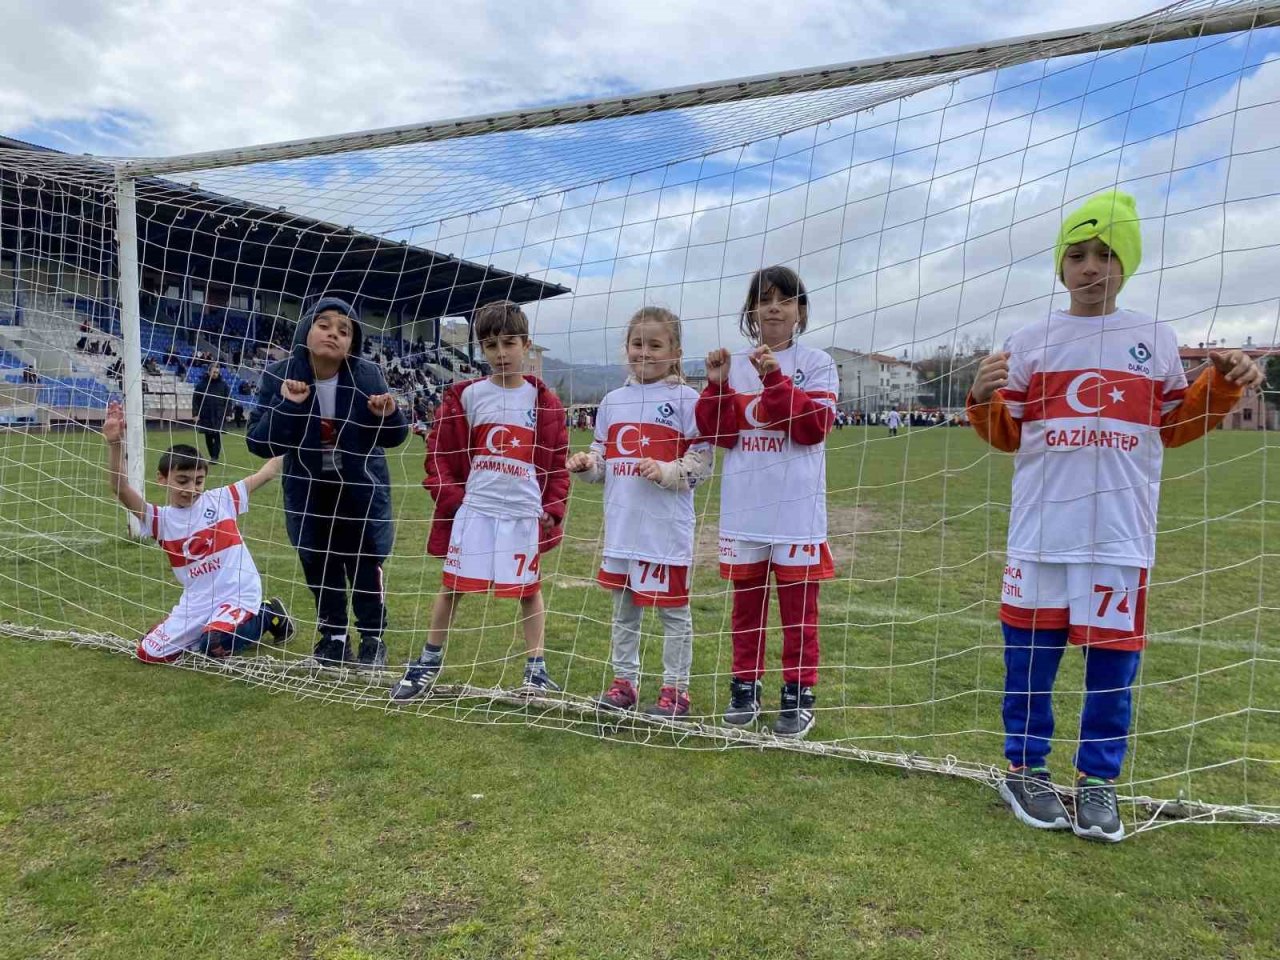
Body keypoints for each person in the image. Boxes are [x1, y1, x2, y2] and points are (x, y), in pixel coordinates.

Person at [967, 190, 1264, 842]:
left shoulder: (1152, 339)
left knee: (1111, 674)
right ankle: (1024, 769)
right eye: (1077, 255)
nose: (1090, 267)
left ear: (1125, 264)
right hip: (1041, 536)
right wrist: (981, 397)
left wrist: (1226, 383)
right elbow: (1007, 435)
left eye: (1105, 255)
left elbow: (1178, 425)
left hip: (1120, 539)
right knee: (1030, 666)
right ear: (1060, 264)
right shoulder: (1030, 341)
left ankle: (1098, 783)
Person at [390, 301, 568, 700]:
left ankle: (536, 670)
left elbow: (557, 465)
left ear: (526, 345)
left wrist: (553, 509)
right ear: (481, 351)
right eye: (490, 345)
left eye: (509, 343)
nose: (501, 353)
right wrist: (454, 500)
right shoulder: (467, 396)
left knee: (528, 591)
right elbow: (439, 454)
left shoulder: (545, 404)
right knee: (452, 588)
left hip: (523, 515)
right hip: (476, 513)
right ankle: (427, 663)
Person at [696, 265, 838, 738]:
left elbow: (811, 429)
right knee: (745, 610)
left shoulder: (817, 363)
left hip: (797, 513)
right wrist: (716, 385)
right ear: (752, 311)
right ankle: (744, 687)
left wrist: (776, 381)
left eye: (785, 299)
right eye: (764, 298)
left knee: (800, 614)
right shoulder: (733, 363)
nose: (774, 306)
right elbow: (720, 433)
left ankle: (798, 695)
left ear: (800, 311)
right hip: (744, 511)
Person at [246, 296, 409, 671]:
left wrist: (390, 414)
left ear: (353, 342)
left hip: (358, 489)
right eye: (325, 325)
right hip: (309, 489)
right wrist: (289, 405)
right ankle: (333, 638)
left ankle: (373, 639)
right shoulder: (280, 374)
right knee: (319, 564)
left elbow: (394, 437)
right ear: (306, 330)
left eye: (344, 329)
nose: (333, 333)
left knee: (365, 565)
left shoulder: (366, 375)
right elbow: (259, 442)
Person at [567, 307, 712, 717]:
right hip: (622, 530)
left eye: (655, 344)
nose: (644, 352)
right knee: (624, 612)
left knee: (673, 615)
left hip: (665, 531)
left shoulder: (688, 400)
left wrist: (667, 471)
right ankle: (623, 685)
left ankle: (676, 691)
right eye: (637, 343)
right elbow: (602, 462)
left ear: (676, 351)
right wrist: (587, 466)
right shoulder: (612, 402)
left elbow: (702, 465)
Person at [102, 402, 293, 663]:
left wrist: (293, 433)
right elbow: (121, 489)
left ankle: (268, 614)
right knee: (149, 653)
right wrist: (115, 444)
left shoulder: (222, 499)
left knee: (214, 645)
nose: (192, 489)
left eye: (198, 481)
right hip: (198, 601)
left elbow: (267, 472)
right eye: (183, 481)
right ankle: (192, 628)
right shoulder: (159, 519)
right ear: (162, 478)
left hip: (238, 593)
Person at [193, 364, 231, 463]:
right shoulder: (201, 385)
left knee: (217, 435)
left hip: (219, 414)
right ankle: (212, 456)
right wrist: (195, 414)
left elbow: (228, 400)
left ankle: (215, 457)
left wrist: (228, 413)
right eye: (214, 372)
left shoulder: (223, 385)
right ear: (209, 372)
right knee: (208, 436)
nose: (215, 374)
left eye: (217, 372)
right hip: (206, 414)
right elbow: (195, 400)